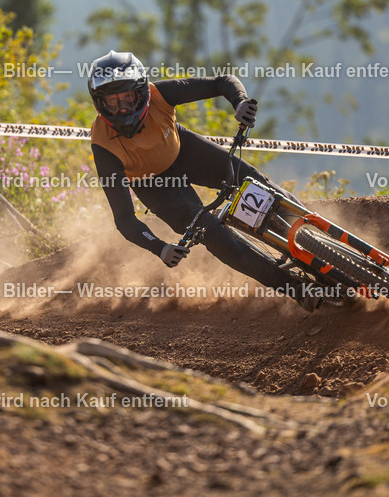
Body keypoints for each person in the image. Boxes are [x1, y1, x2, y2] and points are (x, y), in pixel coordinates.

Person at [88, 50, 324, 312]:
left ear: (141, 92)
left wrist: (241, 102)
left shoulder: (159, 95)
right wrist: (159, 248)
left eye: (128, 98)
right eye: (113, 101)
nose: (122, 108)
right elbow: (124, 218)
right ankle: (297, 289)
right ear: (100, 104)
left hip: (185, 151)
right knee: (217, 237)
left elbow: (222, 81)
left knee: (261, 186)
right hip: (154, 186)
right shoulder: (102, 144)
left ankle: (317, 239)